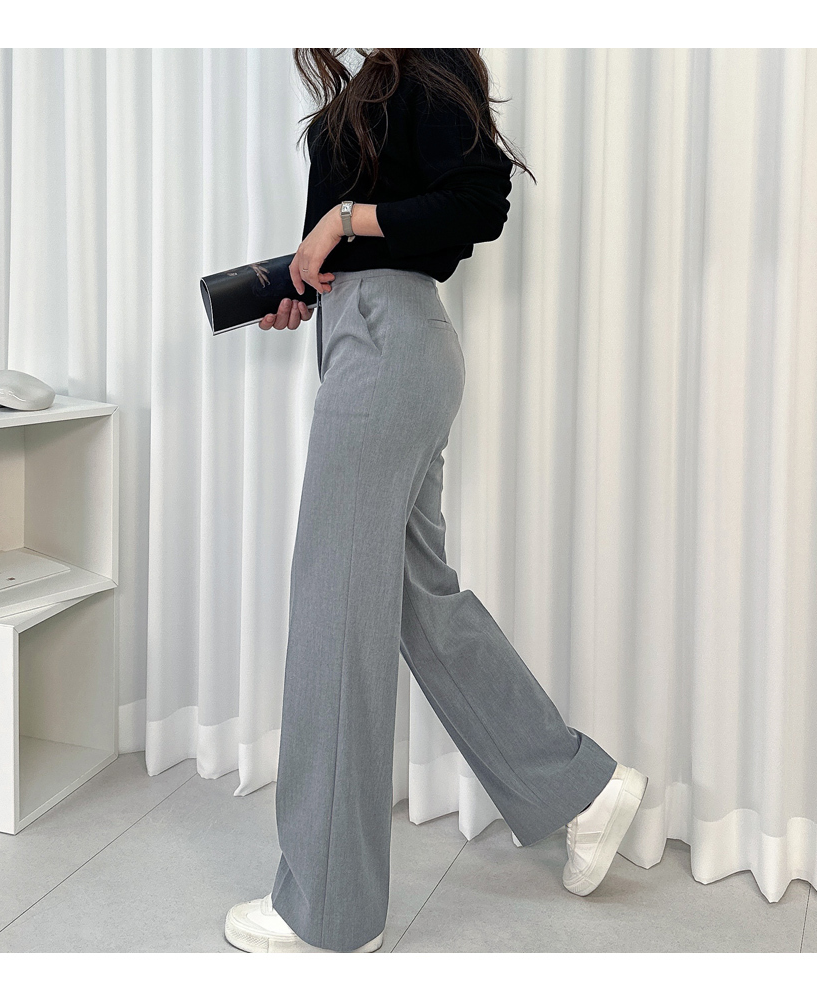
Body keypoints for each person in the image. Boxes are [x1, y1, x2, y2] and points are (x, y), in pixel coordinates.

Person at [224, 48, 648, 955]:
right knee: (418, 598)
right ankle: (578, 785)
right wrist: (303, 285)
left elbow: (479, 202)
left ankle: (330, 911)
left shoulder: (424, 66)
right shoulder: (366, 86)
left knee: (336, 607)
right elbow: (362, 245)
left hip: (390, 346)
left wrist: (343, 220)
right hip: (369, 340)